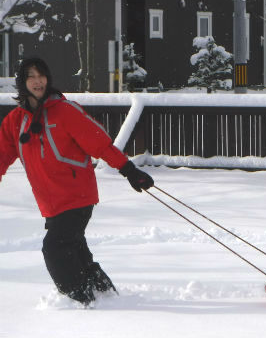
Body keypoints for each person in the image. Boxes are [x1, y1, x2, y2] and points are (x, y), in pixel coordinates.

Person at [0, 57, 154, 305]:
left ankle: (80, 302)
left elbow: (100, 143)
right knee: (75, 249)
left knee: (56, 248)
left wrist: (128, 169)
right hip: (51, 201)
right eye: (31, 76)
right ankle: (105, 295)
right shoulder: (15, 122)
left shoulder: (65, 111)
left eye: (41, 75)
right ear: (22, 82)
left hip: (77, 196)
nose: (37, 81)